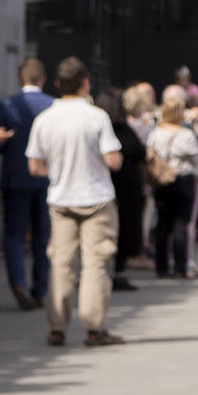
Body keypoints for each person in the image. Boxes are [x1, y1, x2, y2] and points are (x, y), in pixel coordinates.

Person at [26, 57, 123, 348]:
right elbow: (113, 160)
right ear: (85, 83)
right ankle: (94, 329)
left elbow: (35, 166)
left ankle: (57, 327)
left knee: (61, 264)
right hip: (96, 197)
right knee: (95, 264)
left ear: (57, 84)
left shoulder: (44, 118)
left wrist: (57, 170)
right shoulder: (96, 117)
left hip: (61, 198)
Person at [0, 57, 54, 311]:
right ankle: (40, 289)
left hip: (16, 177)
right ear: (43, 79)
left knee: (15, 234)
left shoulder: (7, 105)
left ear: (20, 79)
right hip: (46, 177)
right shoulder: (53, 105)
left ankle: (18, 282)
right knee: (42, 236)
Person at [147, 96, 198, 281]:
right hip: (183, 179)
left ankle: (161, 267)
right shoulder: (186, 135)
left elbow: (149, 154)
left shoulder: (155, 133)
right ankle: (180, 267)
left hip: (162, 181)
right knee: (181, 224)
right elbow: (197, 159)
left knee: (162, 224)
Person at [102, 88, 146, 293]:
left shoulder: (102, 128)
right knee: (122, 232)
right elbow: (140, 152)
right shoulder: (123, 131)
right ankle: (118, 272)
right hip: (123, 191)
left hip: (105, 190)